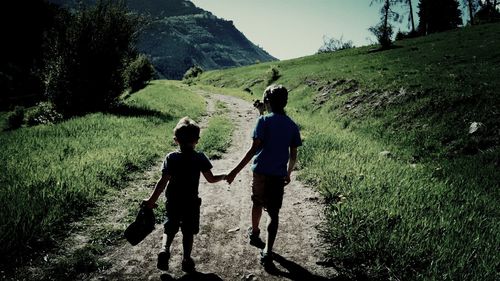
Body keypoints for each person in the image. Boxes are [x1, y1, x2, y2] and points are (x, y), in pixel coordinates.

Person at [226, 84, 302, 267]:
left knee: (257, 203)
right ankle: (268, 250)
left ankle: (254, 232)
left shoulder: (263, 121)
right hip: (278, 175)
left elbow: (253, 150)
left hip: (260, 173)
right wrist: (288, 173)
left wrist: (234, 171)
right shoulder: (292, 125)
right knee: (274, 213)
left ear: (267, 102)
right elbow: (293, 155)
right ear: (285, 102)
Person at [143, 116, 227, 272]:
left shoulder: (171, 158)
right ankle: (186, 259)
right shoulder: (200, 157)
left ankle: (164, 249)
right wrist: (225, 175)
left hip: (173, 201)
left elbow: (162, 182)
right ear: (197, 140)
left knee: (170, 226)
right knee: (188, 231)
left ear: (176, 140)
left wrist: (151, 200)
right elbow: (211, 179)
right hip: (191, 202)